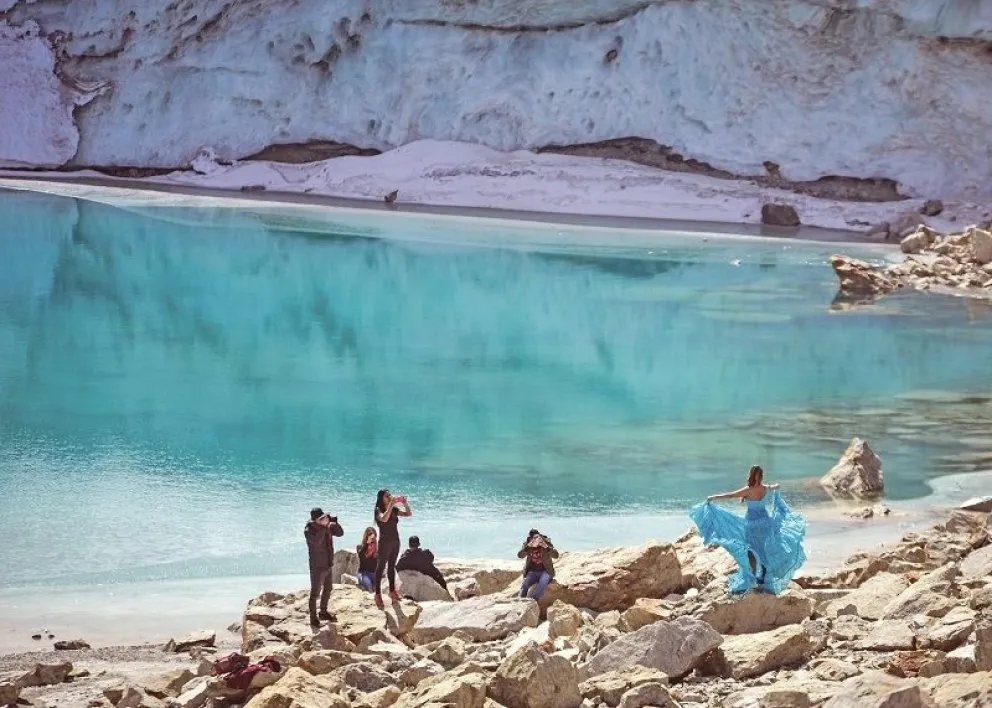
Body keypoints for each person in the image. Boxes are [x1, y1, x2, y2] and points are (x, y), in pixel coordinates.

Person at [689, 465, 807, 595]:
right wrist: (776, 486)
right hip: (765, 523)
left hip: (752, 525)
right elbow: (775, 487)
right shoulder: (764, 488)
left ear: (751, 475)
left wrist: (714, 497)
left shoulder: (748, 490)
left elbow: (729, 496)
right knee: (762, 551)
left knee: (750, 551)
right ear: (761, 476)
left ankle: (753, 578)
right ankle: (763, 579)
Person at [304, 507, 344, 627]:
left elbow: (340, 533)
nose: (324, 519)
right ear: (316, 520)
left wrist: (335, 523)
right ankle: (313, 619)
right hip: (317, 566)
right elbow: (316, 542)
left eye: (325, 517)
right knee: (315, 593)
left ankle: (323, 612)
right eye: (322, 518)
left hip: (328, 564)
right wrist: (324, 527)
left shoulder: (327, 527)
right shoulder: (309, 530)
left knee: (328, 589)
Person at [373, 489, 412, 608]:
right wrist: (391, 504)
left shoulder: (394, 509)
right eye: (387, 495)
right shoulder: (378, 510)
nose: (389, 496)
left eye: (390, 494)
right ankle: (378, 594)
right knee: (380, 567)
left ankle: (392, 591)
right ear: (381, 498)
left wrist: (405, 503)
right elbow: (384, 519)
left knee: (391, 566)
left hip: (395, 541)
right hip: (384, 542)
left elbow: (408, 514)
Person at [517, 529, 558, 600]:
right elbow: (520, 556)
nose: (536, 540)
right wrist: (528, 547)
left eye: (537, 537)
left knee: (543, 582)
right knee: (525, 583)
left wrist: (547, 547)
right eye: (533, 538)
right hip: (532, 571)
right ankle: (520, 600)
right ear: (530, 538)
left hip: (546, 571)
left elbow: (556, 555)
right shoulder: (528, 543)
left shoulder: (546, 542)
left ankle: (533, 600)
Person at [356, 527, 378, 592]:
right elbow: (362, 558)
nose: (372, 539)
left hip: (374, 573)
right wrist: (366, 545)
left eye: (373, 537)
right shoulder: (360, 547)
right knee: (369, 589)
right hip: (364, 573)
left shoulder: (377, 548)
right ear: (366, 536)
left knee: (377, 589)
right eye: (369, 536)